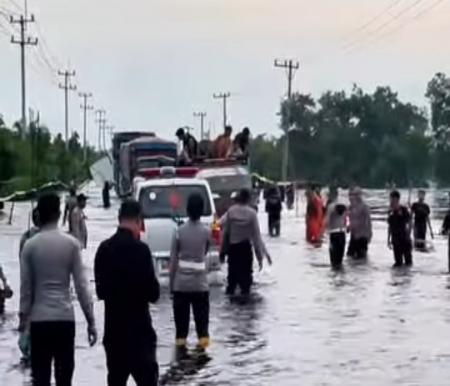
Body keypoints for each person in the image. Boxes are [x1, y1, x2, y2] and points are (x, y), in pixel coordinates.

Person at [19, 193, 97, 386]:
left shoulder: (29, 246)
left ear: (39, 214)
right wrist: (91, 321)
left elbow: (26, 292)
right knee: (64, 379)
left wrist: (23, 326)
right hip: (64, 320)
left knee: (41, 379)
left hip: (39, 322)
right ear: (59, 213)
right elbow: (81, 287)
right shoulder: (71, 244)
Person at [94, 199, 160, 386]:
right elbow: (154, 294)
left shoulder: (104, 250)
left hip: (114, 336)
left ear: (119, 218)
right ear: (139, 221)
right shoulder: (142, 251)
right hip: (141, 336)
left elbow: (101, 292)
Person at [169, 194, 210, 351]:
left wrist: (172, 286)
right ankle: (205, 362)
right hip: (200, 286)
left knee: (181, 332)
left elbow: (173, 262)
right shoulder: (206, 232)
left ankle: (180, 359)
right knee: (203, 331)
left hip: (181, 286)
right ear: (201, 211)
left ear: (187, 210)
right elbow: (207, 251)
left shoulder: (178, 231)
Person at [220, 189, 271, 296]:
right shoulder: (252, 214)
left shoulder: (231, 211)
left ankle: (231, 310)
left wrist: (222, 252)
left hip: (233, 251)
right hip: (245, 251)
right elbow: (257, 238)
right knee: (246, 286)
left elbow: (226, 233)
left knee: (231, 284)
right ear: (248, 199)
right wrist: (261, 257)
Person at [388, 190, 413, 267]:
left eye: (393, 200)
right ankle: (398, 278)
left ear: (397, 200)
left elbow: (410, 222)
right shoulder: (390, 211)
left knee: (408, 262)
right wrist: (388, 239)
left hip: (404, 239)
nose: (391, 202)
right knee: (398, 263)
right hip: (395, 240)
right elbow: (389, 226)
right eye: (390, 199)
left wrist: (408, 235)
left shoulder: (403, 210)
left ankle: (406, 277)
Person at [347, 187, 372, 259]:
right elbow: (350, 220)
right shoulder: (351, 207)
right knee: (350, 256)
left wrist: (369, 235)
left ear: (361, 195)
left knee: (361, 258)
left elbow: (368, 221)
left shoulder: (364, 207)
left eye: (357, 194)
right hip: (354, 235)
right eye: (353, 194)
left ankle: (362, 269)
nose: (355, 196)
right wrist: (349, 226)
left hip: (362, 236)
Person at [325, 190, 347, 270]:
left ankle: (334, 279)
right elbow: (345, 221)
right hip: (342, 234)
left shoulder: (331, 206)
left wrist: (324, 232)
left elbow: (326, 221)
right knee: (340, 261)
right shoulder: (344, 206)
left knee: (333, 261)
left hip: (334, 234)